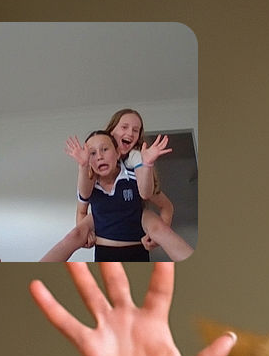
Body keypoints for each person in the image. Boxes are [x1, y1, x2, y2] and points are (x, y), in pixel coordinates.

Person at [40, 108, 193, 262]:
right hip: (104, 241)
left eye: (136, 130)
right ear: (111, 131)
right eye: (124, 127)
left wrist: (146, 165)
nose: (130, 133)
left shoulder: (136, 165)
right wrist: (86, 234)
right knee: (74, 235)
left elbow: (156, 200)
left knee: (160, 230)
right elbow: (82, 207)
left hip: (135, 227)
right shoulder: (91, 172)